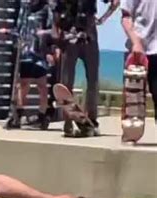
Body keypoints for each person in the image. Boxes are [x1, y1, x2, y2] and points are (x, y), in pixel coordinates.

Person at [55, 0, 120, 137]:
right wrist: (103, 18)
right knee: (88, 80)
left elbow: (56, 13)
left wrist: (103, 18)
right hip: (81, 31)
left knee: (71, 82)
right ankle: (83, 121)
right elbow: (115, 3)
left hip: (73, 31)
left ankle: (77, 121)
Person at [8, 0, 57, 130]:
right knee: (23, 83)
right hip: (25, 50)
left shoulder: (46, 9)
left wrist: (50, 49)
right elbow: (19, 28)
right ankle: (17, 114)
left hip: (41, 51)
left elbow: (53, 30)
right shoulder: (25, 8)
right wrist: (11, 35)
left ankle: (42, 115)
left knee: (41, 84)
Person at [121, 0, 157, 121]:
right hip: (138, 50)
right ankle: (131, 132)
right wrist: (136, 43)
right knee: (132, 100)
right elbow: (126, 17)